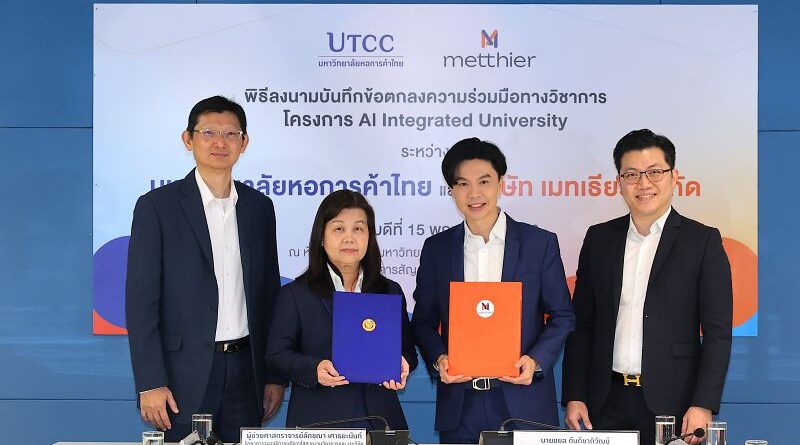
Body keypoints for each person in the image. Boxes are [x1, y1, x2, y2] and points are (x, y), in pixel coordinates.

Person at [125, 95, 284, 442]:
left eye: (231, 134)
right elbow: (141, 303)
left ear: (244, 142)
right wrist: (151, 381)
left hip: (246, 373)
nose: (220, 143)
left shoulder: (259, 208)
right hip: (182, 377)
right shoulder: (157, 207)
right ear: (188, 139)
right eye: (209, 132)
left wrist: (273, 375)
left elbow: (269, 297)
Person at [561, 129, 733, 445]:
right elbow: (582, 325)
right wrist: (574, 394)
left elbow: (717, 333)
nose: (644, 183)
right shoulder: (599, 239)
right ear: (619, 182)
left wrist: (703, 404)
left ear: (674, 176)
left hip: (676, 404)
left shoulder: (702, 241)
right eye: (632, 174)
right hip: (605, 400)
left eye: (655, 172)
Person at [411, 137, 575, 444]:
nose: (474, 193)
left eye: (484, 181)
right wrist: (439, 358)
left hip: (524, 402)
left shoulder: (539, 244)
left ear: (501, 183)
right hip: (460, 406)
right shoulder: (437, 249)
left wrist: (535, 360)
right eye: (463, 184)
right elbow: (422, 321)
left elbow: (562, 316)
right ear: (451, 191)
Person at [265, 190, 418, 430]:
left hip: (380, 419)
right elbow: (276, 356)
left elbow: (408, 352)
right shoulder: (296, 294)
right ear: (322, 238)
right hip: (320, 421)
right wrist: (314, 369)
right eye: (339, 229)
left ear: (369, 237)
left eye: (358, 229)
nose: (349, 238)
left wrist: (403, 364)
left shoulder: (389, 291)